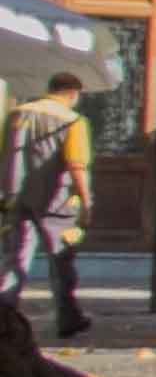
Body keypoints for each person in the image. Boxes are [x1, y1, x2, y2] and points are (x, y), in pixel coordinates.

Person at [8, 72, 90, 342]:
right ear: (72, 93)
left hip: (17, 197)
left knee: (16, 258)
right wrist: (87, 202)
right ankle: (68, 318)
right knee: (61, 260)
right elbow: (76, 165)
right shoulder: (73, 121)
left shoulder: (16, 115)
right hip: (56, 203)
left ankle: (4, 312)